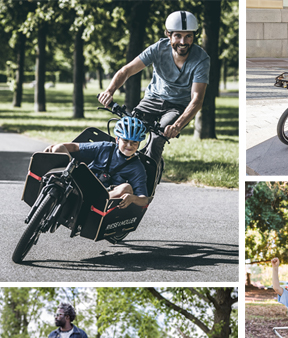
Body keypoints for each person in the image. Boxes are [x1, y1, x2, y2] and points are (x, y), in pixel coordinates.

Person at [98, 10, 210, 179]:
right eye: (178, 36)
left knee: (158, 138)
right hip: (152, 99)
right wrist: (109, 90)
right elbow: (127, 70)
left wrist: (177, 125)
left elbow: (197, 100)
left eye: (188, 36)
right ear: (168, 34)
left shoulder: (201, 59)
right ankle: (113, 173)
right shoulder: (158, 49)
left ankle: (146, 187)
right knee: (128, 130)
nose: (183, 41)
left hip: (177, 106)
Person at [44, 117, 149, 210]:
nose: (129, 145)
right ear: (117, 140)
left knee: (126, 188)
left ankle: (90, 204)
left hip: (103, 195)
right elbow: (75, 147)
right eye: (125, 141)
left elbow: (144, 199)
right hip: (81, 181)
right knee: (59, 147)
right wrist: (54, 147)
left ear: (139, 144)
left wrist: (132, 198)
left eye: (134, 142)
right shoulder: (106, 147)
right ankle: (57, 184)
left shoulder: (137, 167)